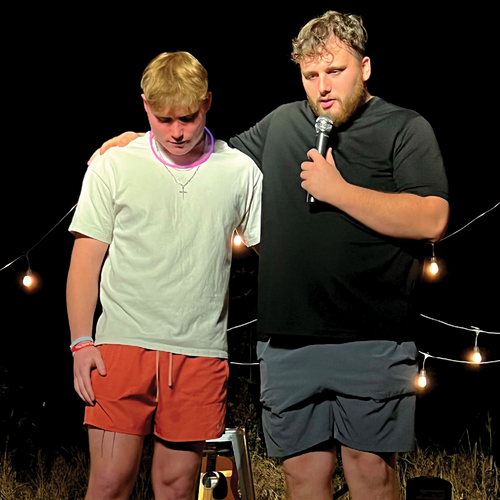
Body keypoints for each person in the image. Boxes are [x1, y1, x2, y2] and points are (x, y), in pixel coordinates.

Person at [93, 11, 449, 500]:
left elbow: (431, 218)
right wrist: (144, 142)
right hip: (285, 341)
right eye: (311, 74)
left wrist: (338, 191)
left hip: (373, 335)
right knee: (301, 475)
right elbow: (210, 156)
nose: (323, 86)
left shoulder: (404, 127)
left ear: (365, 67)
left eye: (336, 71)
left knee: (369, 471)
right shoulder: (282, 122)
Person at [67, 51, 261, 500]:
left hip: (199, 352)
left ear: (207, 102)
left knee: (176, 489)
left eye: (188, 118)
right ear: (145, 105)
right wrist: (80, 342)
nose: (176, 131)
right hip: (121, 347)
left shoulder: (240, 171)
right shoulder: (114, 163)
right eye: (163, 118)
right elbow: (85, 260)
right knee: (110, 483)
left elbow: (276, 252)